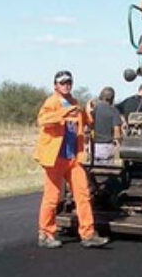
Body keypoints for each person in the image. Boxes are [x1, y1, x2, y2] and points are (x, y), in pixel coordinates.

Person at [34, 70, 109, 249]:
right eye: (62, 82)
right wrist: (64, 112)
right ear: (55, 86)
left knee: (83, 195)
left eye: (69, 82)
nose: (66, 85)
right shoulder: (52, 102)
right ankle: (45, 233)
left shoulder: (75, 103)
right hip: (54, 158)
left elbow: (84, 122)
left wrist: (89, 113)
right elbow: (42, 120)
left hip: (73, 158)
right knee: (52, 198)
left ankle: (88, 234)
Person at [91, 87, 123, 165]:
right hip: (107, 146)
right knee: (107, 172)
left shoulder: (95, 109)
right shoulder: (113, 111)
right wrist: (120, 143)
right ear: (112, 98)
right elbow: (117, 132)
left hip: (95, 146)